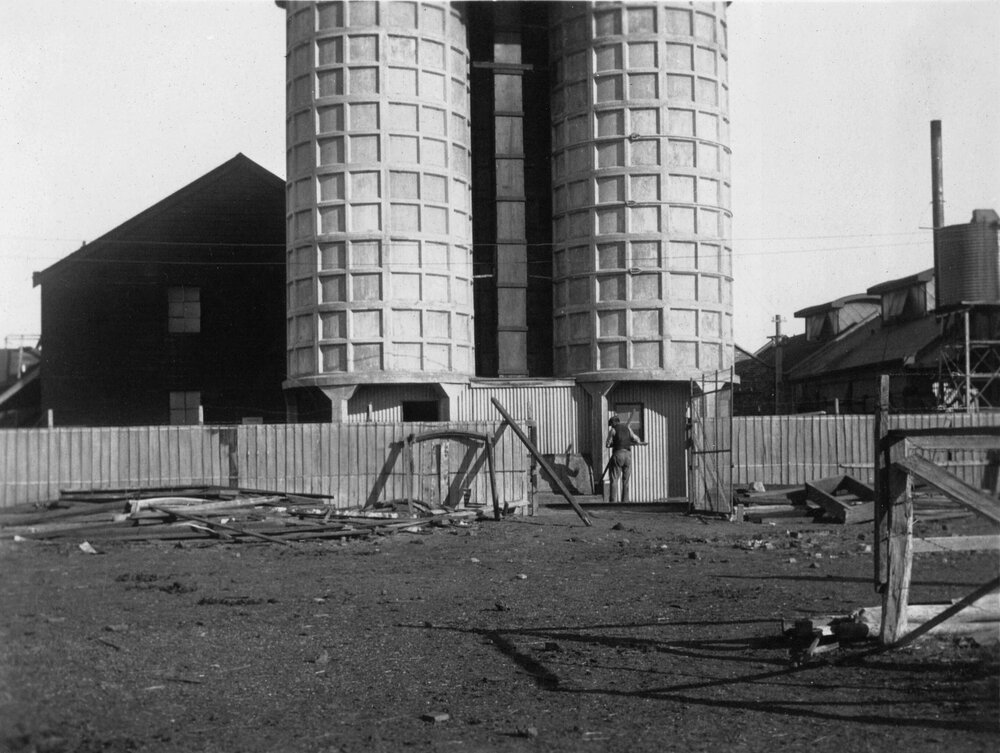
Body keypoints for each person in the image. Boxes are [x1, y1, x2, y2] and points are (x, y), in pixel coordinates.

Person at [605, 415, 648, 503]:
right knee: (626, 480)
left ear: (614, 423)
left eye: (611, 424)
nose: (611, 426)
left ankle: (612, 501)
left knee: (614, 479)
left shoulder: (613, 430)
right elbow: (636, 439)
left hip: (618, 454)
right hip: (628, 454)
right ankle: (625, 501)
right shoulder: (628, 428)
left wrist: (613, 443)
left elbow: (608, 444)